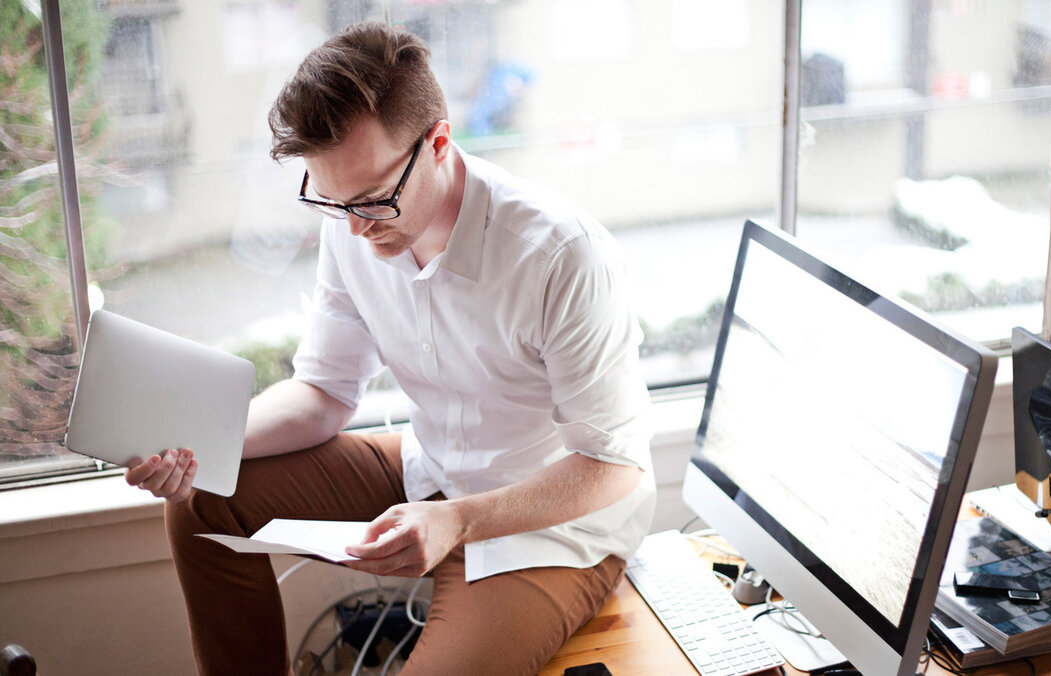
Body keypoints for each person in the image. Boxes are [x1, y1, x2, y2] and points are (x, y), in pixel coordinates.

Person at [123, 21, 654, 676]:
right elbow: (322, 394)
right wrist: (197, 441)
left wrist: (458, 521)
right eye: (331, 201)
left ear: (439, 144)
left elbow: (613, 464)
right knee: (202, 498)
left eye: (373, 200)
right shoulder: (354, 224)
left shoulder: (561, 254)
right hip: (429, 473)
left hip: (550, 529)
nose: (353, 228)